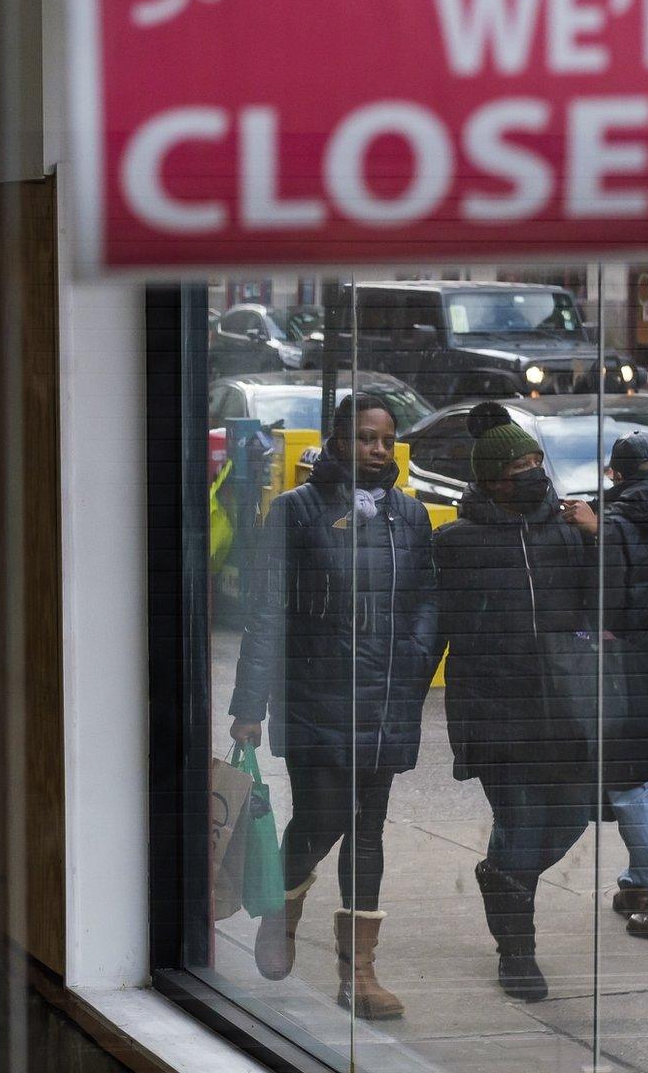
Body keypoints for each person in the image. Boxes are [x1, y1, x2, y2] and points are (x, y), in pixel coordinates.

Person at [228, 394, 438, 1021]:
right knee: (320, 819)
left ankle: (360, 974)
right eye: (364, 438)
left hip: (386, 700)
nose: (377, 450)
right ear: (337, 441)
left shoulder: (411, 515)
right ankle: (279, 912)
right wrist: (250, 703)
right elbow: (266, 610)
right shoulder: (295, 511)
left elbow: (427, 598)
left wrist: (416, 659)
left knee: (367, 829)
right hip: (316, 694)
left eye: (385, 439)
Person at [433, 402, 599, 1003]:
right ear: (493, 479)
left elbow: (617, 605)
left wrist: (600, 539)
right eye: (521, 464)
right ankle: (518, 953)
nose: (534, 471)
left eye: (536, 459)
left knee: (572, 817)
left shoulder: (569, 534)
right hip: (497, 713)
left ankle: (503, 879)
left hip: (568, 713)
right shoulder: (455, 544)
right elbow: (430, 631)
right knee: (522, 825)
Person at [565, 431, 648, 941]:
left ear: (616, 473)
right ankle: (641, 881)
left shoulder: (612, 523)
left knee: (631, 781)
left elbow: (601, 609)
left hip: (633, 669)